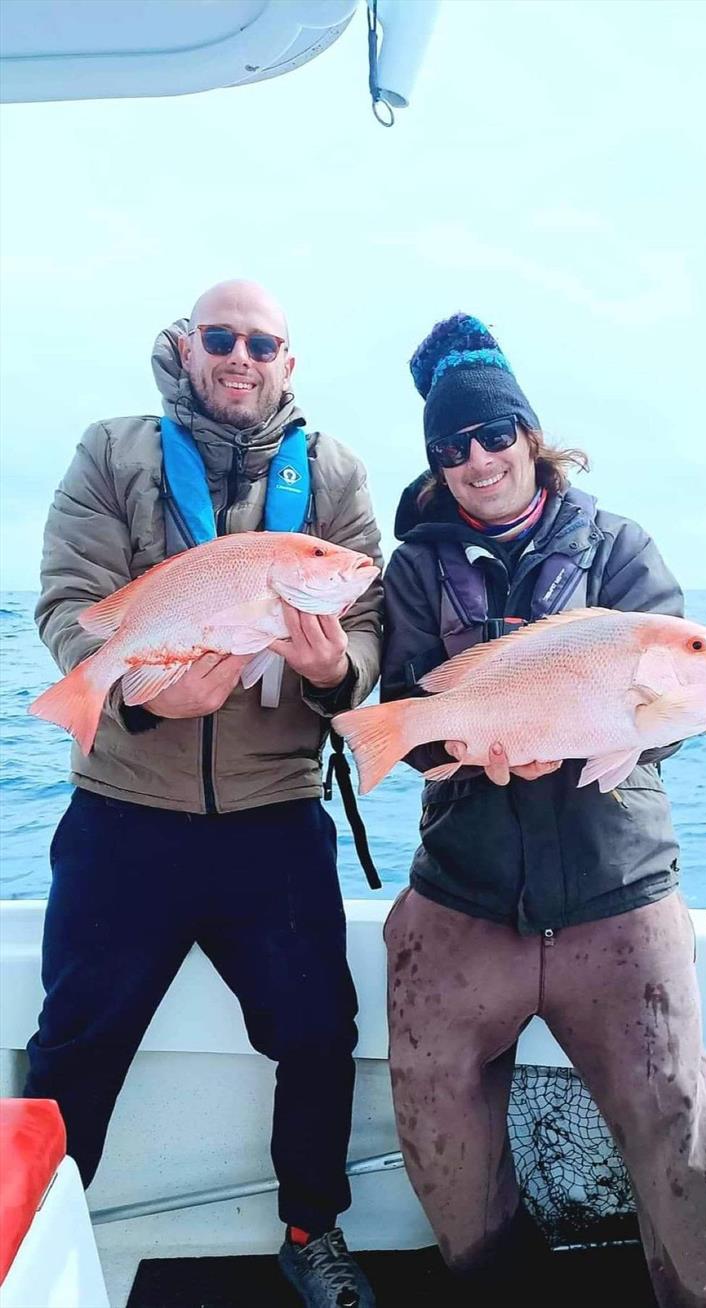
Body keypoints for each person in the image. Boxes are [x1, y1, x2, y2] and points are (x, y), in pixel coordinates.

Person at [379, 313, 706, 1307]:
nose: (477, 459)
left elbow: (662, 709)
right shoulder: (413, 567)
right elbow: (409, 722)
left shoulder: (619, 549)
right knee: (429, 1104)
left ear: (527, 434)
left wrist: (675, 717)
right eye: (450, 446)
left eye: (493, 434)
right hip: (462, 894)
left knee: (678, 1117)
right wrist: (461, 747)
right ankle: (495, 1283)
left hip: (612, 889)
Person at [26, 280, 382, 1308]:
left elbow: (367, 622)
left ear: (287, 361)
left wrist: (330, 676)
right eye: (220, 338)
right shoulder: (113, 452)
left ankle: (311, 1231)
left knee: (318, 1031)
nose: (240, 356)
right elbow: (68, 598)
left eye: (260, 342)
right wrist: (138, 690)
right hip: (123, 813)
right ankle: (32, 1242)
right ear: (186, 348)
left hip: (273, 819)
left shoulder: (335, 476)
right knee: (74, 1044)